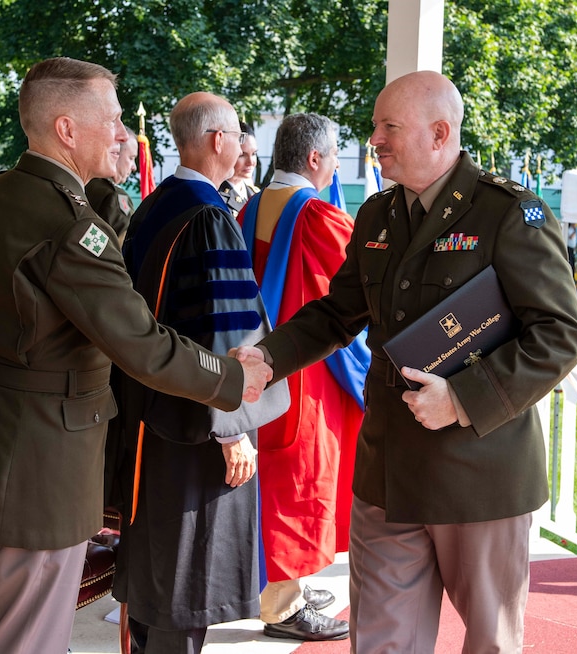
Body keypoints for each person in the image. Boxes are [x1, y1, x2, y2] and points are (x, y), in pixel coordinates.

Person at [234, 71, 577, 653]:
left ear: (440, 133)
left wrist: (463, 398)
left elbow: (559, 335)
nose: (374, 138)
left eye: (388, 127)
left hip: (479, 477)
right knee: (379, 643)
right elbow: (336, 314)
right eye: (376, 125)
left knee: (490, 642)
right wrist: (268, 358)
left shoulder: (507, 213)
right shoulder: (376, 215)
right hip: (388, 473)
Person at [0, 58, 272, 654]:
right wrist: (234, 382)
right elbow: (140, 344)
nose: (125, 134)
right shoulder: (68, 227)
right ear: (67, 130)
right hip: (43, 464)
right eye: (114, 121)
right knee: (27, 638)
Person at [111, 91, 289, 654]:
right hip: (195, 431)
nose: (240, 147)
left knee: (157, 571)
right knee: (185, 586)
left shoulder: (155, 203)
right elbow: (225, 330)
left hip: (147, 415)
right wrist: (233, 426)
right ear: (217, 140)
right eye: (237, 135)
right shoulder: (210, 217)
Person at [238, 113, 369, 642]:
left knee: (273, 480)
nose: (337, 164)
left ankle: (280, 584)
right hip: (307, 372)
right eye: (335, 154)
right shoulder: (318, 216)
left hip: (261, 361)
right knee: (298, 483)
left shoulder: (250, 206)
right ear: (315, 159)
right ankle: (284, 604)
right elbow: (358, 297)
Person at [86, 125, 139, 242]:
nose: (134, 167)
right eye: (131, 158)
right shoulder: (115, 196)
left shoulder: (83, 184)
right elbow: (126, 248)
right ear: (115, 153)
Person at [219, 121, 259, 217]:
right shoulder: (218, 196)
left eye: (253, 154)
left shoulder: (255, 193)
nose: (250, 162)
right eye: (242, 155)